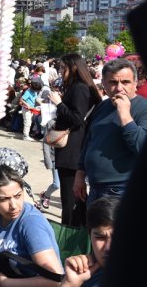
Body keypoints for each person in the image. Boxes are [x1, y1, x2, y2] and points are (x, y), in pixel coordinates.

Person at [75, 58, 147, 205]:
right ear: (105, 84)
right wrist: (80, 174)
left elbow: (140, 146)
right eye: (113, 82)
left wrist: (125, 115)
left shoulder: (143, 108)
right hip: (95, 187)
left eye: (125, 82)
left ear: (135, 83)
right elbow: (90, 141)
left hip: (121, 189)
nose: (119, 88)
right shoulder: (104, 106)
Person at [46, 53, 101, 226]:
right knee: (72, 197)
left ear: (74, 67)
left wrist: (59, 104)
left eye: (63, 68)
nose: (60, 71)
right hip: (72, 148)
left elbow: (77, 119)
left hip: (73, 149)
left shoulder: (80, 88)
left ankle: (69, 232)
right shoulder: (78, 87)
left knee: (70, 199)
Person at [60, 196, 117, 287]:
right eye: (100, 237)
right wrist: (69, 283)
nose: (108, 247)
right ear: (90, 236)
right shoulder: (85, 274)